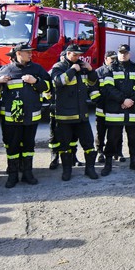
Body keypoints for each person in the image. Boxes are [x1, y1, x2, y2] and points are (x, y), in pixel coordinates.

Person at [0, 43, 51, 188]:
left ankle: (27, 173)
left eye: (31, 52)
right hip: (11, 117)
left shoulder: (37, 69)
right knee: (12, 146)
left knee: (29, 145)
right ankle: (12, 175)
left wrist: (36, 81)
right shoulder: (6, 69)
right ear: (18, 53)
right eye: (27, 52)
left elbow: (49, 87)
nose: (31, 54)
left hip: (31, 116)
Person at [49, 43, 99, 181]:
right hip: (64, 115)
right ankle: (67, 171)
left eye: (79, 55)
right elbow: (58, 82)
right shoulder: (58, 67)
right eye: (74, 54)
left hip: (82, 114)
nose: (77, 57)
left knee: (88, 144)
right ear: (67, 54)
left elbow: (93, 83)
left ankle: (90, 169)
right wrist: (72, 70)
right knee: (65, 146)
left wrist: (90, 70)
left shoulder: (82, 66)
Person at [101, 43, 135, 175]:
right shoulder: (110, 68)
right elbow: (108, 88)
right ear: (118, 53)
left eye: (125, 53)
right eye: (121, 53)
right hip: (115, 110)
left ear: (129, 54)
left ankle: (134, 161)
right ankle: (108, 163)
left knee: (133, 138)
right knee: (112, 138)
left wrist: (132, 100)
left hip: (132, 110)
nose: (123, 55)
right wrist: (123, 100)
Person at [92, 51, 118, 163]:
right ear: (105, 59)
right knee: (101, 132)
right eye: (111, 58)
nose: (114, 61)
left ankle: (114, 152)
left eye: (115, 58)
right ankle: (100, 152)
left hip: (115, 109)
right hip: (101, 109)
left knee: (115, 132)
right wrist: (100, 102)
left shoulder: (118, 71)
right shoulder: (98, 72)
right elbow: (92, 90)